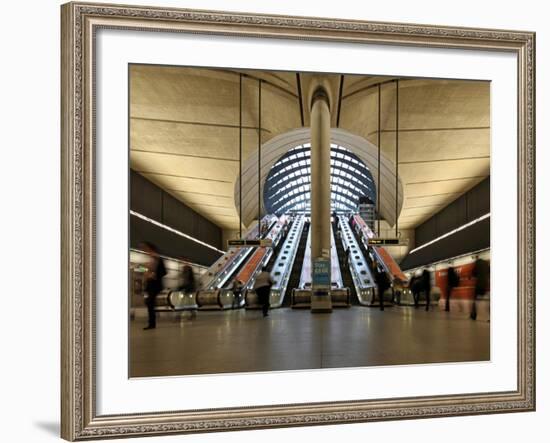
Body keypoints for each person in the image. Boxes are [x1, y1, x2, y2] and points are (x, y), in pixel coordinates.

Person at [141, 242, 166, 330]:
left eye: (146, 249)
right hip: (150, 284)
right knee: (149, 303)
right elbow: (147, 270)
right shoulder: (151, 260)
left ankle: (152, 324)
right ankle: (152, 323)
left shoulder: (158, 259)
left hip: (155, 285)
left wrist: (154, 275)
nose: (145, 251)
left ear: (151, 249)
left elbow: (163, 272)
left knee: (150, 302)